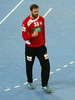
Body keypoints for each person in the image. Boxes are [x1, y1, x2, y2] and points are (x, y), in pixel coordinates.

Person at [22, 4, 52, 93]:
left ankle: (45, 84)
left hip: (41, 47)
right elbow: (24, 36)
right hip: (30, 48)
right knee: (29, 65)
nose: (37, 13)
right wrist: (32, 35)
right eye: (35, 11)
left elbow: (43, 31)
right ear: (31, 11)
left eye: (37, 11)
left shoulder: (42, 19)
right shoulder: (26, 22)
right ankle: (30, 82)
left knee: (46, 65)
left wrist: (43, 42)